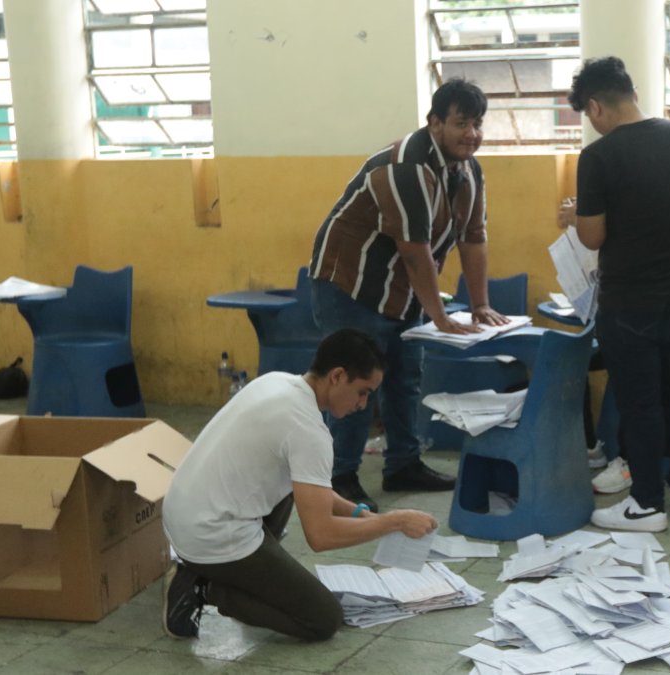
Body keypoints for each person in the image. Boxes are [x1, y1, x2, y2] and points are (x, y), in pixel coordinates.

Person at [307, 79, 509, 512]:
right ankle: (340, 476)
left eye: (477, 124)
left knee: (404, 377)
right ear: (434, 123)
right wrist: (440, 318)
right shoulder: (406, 166)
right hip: (350, 283)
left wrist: (480, 305)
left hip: (402, 289)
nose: (471, 134)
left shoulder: (469, 171)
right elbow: (415, 252)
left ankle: (403, 464)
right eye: (460, 123)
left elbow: (474, 238)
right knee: (356, 383)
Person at [161, 329, 438, 641]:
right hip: (209, 534)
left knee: (297, 487)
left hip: (181, 514)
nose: (363, 404)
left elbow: (315, 490)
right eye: (362, 392)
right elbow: (320, 535)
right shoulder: (308, 431)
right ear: (337, 376)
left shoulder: (277, 381)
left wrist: (363, 515)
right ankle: (204, 588)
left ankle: (225, 572)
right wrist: (392, 522)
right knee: (323, 618)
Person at [567, 56, 670, 533]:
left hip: (630, 302)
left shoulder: (600, 157)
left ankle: (647, 504)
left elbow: (591, 237)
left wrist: (579, 216)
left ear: (595, 106)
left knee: (641, 402)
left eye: (588, 115)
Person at [569, 183, 670, 493]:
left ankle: (629, 462)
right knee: (573, 358)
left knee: (628, 358)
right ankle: (597, 445)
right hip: (650, 329)